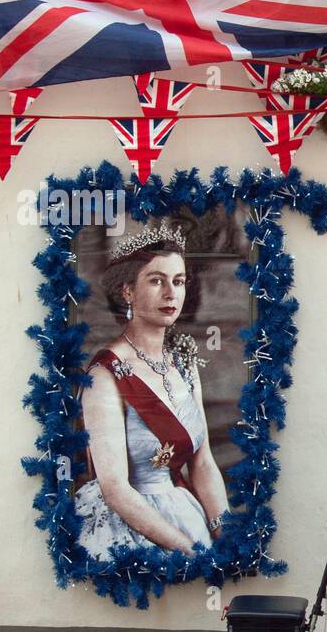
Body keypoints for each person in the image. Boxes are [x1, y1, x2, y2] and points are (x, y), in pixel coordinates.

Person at [73, 222, 230, 559]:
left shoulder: (184, 362)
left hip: (185, 513)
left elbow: (202, 464)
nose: (171, 293)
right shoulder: (104, 375)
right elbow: (114, 489)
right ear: (128, 291)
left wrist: (224, 536)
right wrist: (190, 551)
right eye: (156, 280)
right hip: (131, 529)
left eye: (178, 281)